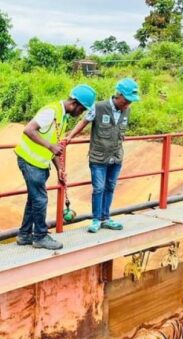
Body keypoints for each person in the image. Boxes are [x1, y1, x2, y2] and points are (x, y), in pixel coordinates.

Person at [14, 84, 97, 250]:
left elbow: (55, 144)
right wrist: (50, 146)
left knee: (34, 199)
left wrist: (59, 168)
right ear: (75, 104)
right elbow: (29, 130)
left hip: (40, 163)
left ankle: (24, 235)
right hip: (30, 161)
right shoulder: (51, 111)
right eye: (81, 110)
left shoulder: (62, 117)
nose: (80, 114)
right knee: (40, 199)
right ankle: (40, 237)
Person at [65, 78, 140, 233]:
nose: (128, 104)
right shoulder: (98, 107)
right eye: (126, 101)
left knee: (110, 187)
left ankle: (106, 217)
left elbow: (120, 129)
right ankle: (96, 219)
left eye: (130, 102)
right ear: (118, 95)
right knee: (98, 188)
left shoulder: (127, 110)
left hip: (116, 156)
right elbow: (83, 122)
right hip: (98, 157)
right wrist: (70, 137)